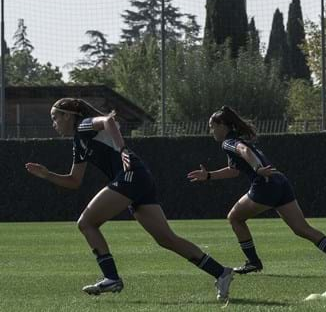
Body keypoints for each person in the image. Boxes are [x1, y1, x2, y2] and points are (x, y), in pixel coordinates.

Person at [25, 98, 233, 300]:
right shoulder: (78, 142)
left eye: (55, 118)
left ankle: (111, 278)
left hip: (131, 175)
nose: (53, 124)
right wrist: (46, 174)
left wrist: (122, 148)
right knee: (166, 239)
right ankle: (221, 272)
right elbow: (74, 181)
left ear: (68, 116)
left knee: (86, 223)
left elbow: (108, 121)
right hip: (138, 178)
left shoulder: (84, 125)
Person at [187, 106, 326, 276]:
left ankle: (253, 262)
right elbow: (234, 170)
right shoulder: (238, 140)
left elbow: (245, 152)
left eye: (212, 126)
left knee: (234, 218)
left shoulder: (228, 142)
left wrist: (257, 169)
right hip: (280, 182)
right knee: (301, 228)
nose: (211, 130)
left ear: (222, 125)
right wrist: (208, 176)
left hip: (265, 185)